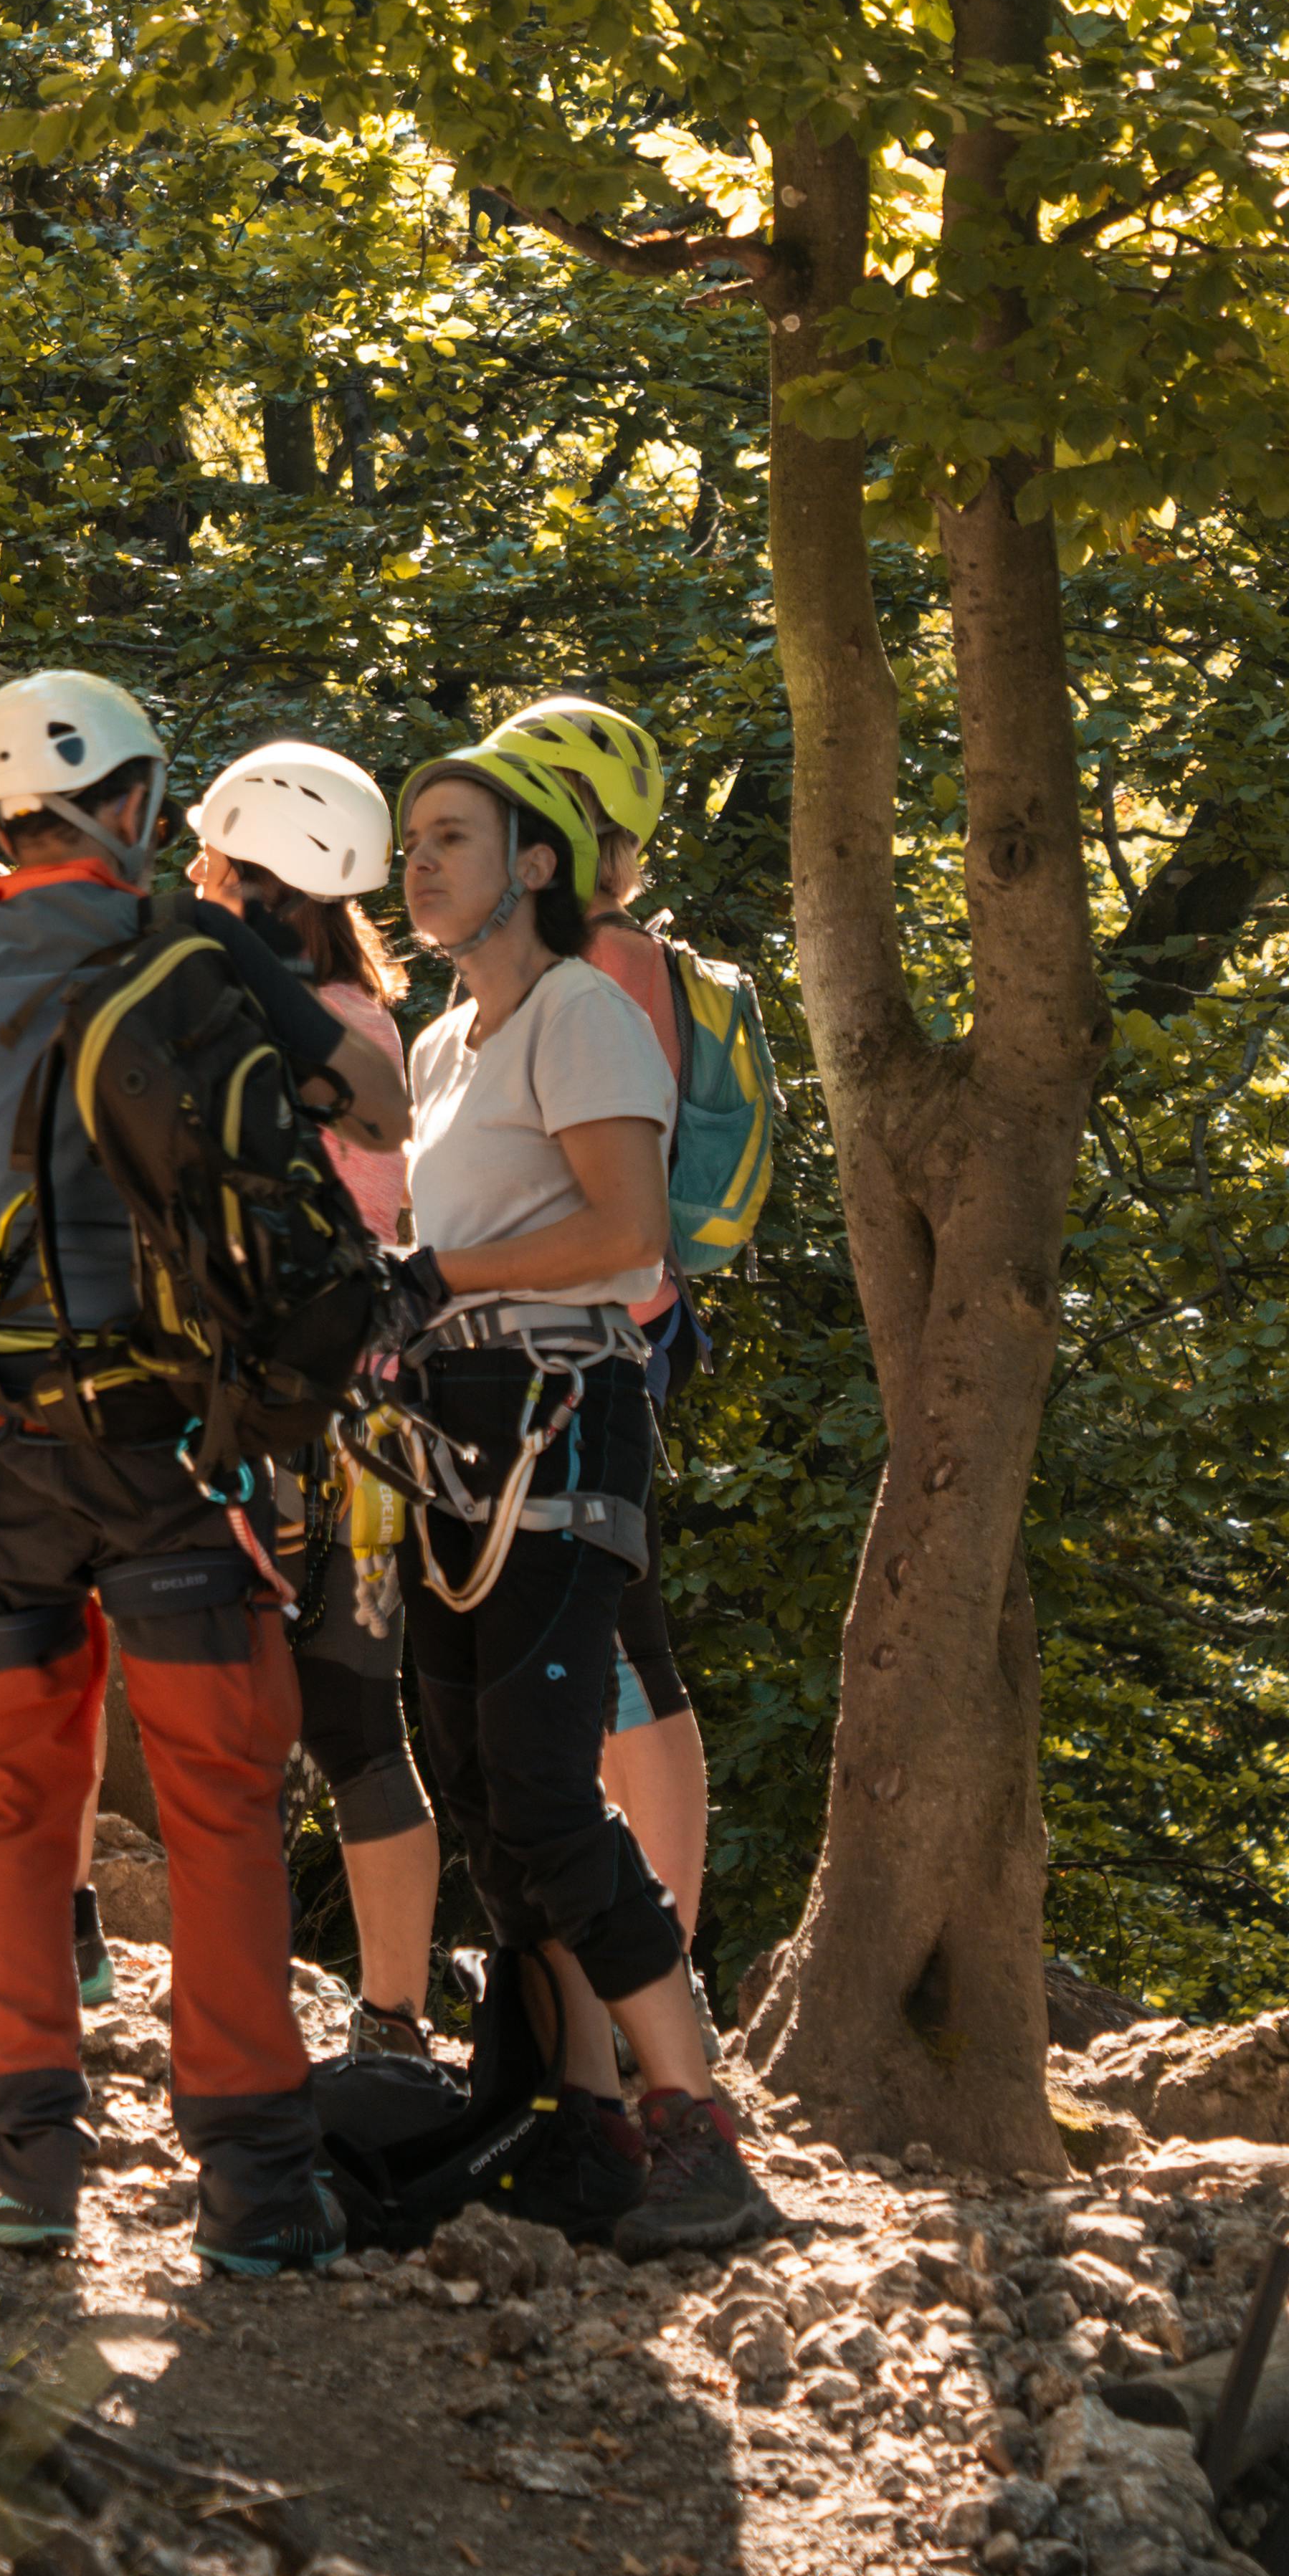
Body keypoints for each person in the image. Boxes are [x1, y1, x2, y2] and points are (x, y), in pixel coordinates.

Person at [0, 673, 409, 2272]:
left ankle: (26, 2162)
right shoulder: (189, 943)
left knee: (17, 1797)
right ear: (135, 807)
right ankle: (252, 2178)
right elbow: (376, 1103)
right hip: (174, 1441)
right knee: (220, 1796)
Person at [382, 728, 779, 2251]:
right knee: (482, 1792)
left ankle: (694, 2127)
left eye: (455, 839)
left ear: (534, 862)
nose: (419, 864)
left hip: (563, 1414)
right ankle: (574, 2112)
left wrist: (432, 1277)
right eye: (412, 839)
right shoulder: (444, 1048)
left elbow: (622, 1241)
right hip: (463, 1423)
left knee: (547, 1787)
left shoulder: (580, 1017)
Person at [186, 738, 440, 2064]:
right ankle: (391, 2018)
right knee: (357, 1724)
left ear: (236, 863)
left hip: (244, 1419)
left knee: (226, 1725)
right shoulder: (366, 1023)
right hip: (369, 1422)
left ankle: (232, 2017)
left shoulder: (220, 1018)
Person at [480, 694, 712, 1949]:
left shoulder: (608, 964)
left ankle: (653, 1954)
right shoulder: (605, 960)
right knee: (605, 1631)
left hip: (593, 1340)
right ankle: (624, 1945)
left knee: (621, 1635)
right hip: (572, 1334)